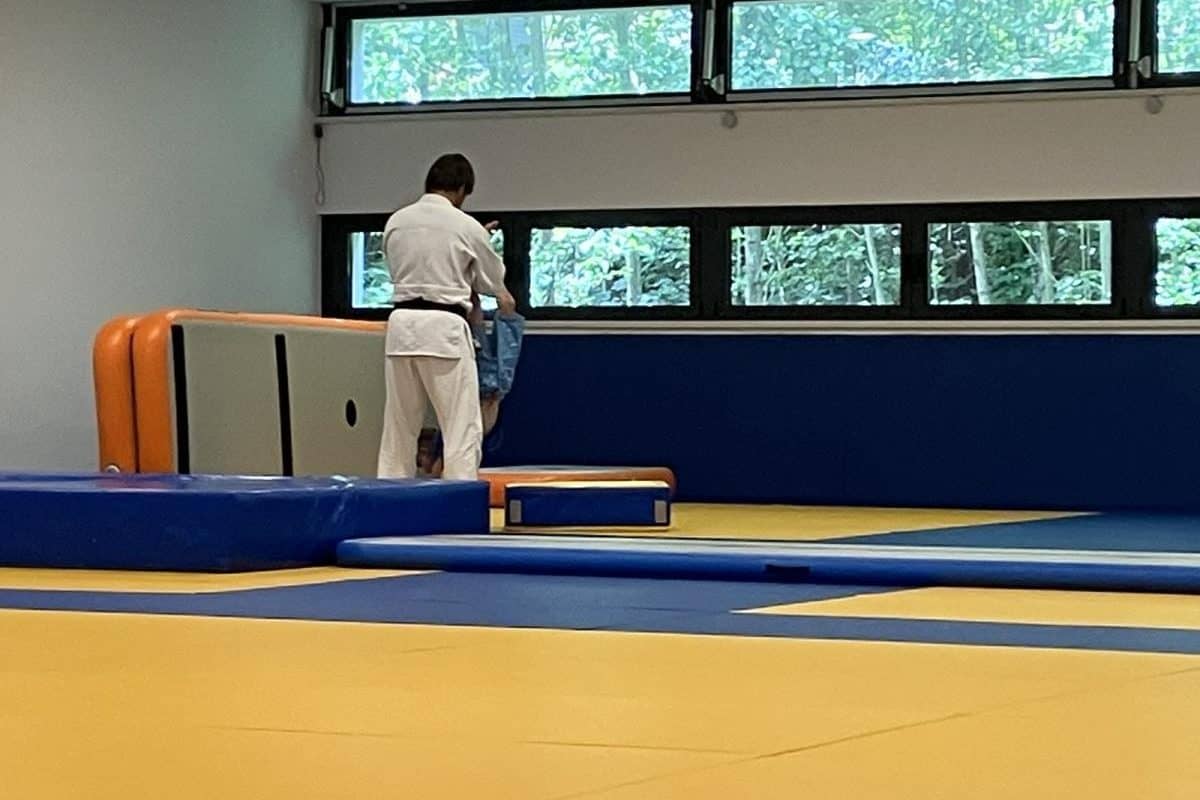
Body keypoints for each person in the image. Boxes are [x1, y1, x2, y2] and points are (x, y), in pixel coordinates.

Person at [376, 154, 515, 481]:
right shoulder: (466, 227)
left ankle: (386, 500)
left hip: (401, 326)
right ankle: (460, 501)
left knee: (399, 428)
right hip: (444, 328)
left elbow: (397, 268)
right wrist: (479, 242)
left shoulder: (396, 221)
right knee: (461, 426)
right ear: (462, 189)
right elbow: (492, 281)